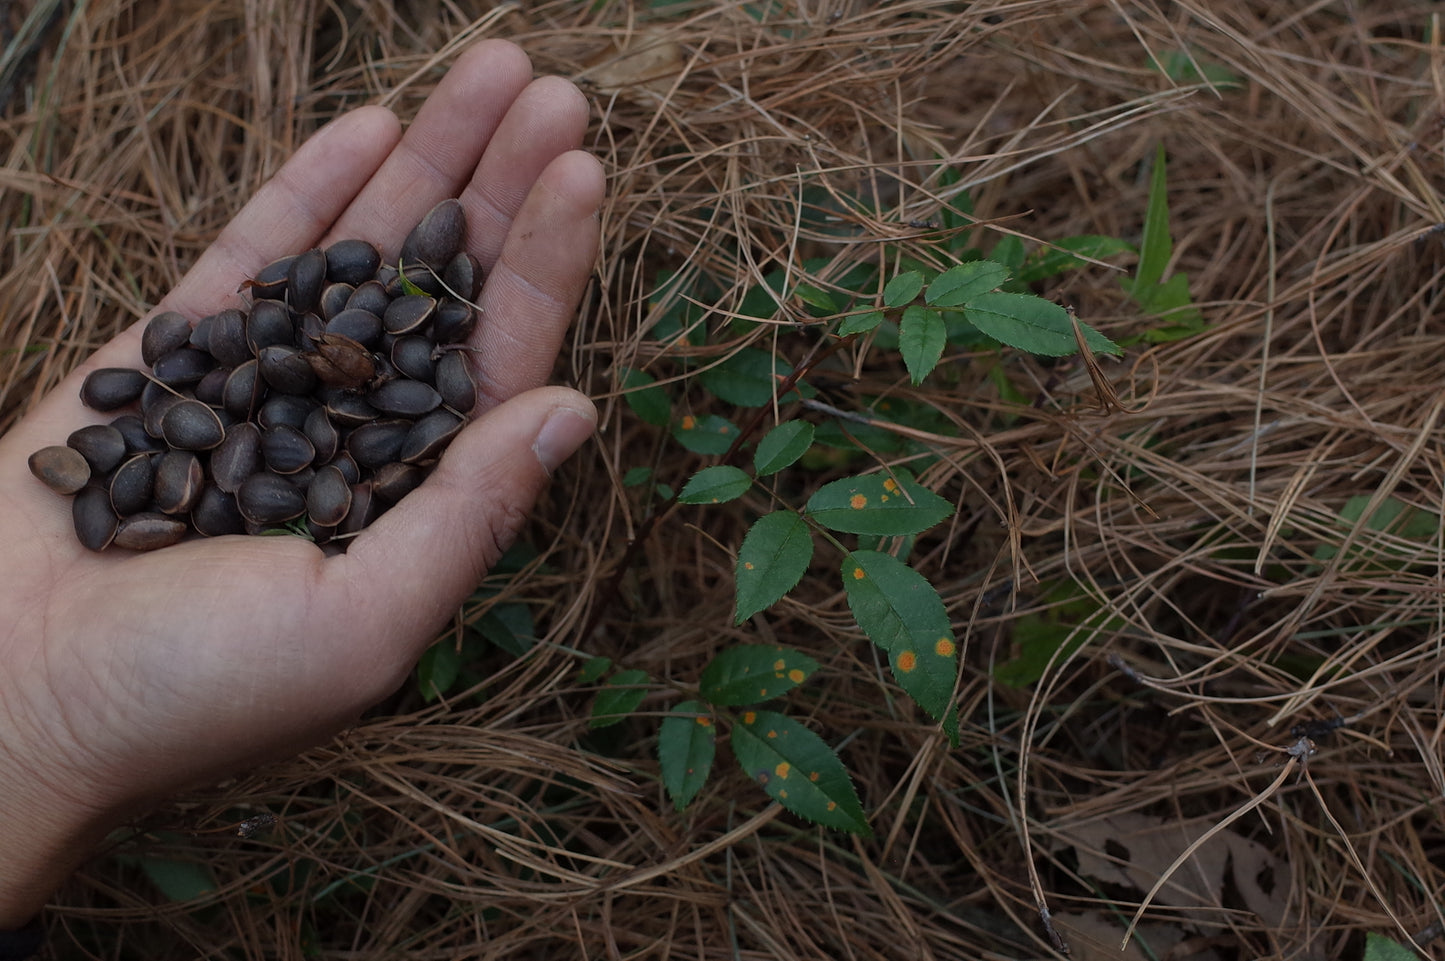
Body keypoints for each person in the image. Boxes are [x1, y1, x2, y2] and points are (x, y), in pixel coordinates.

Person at [0, 39, 603, 949]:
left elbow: (297, 407)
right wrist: (29, 730)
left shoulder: (342, 382)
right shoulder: (238, 413)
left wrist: (32, 737)